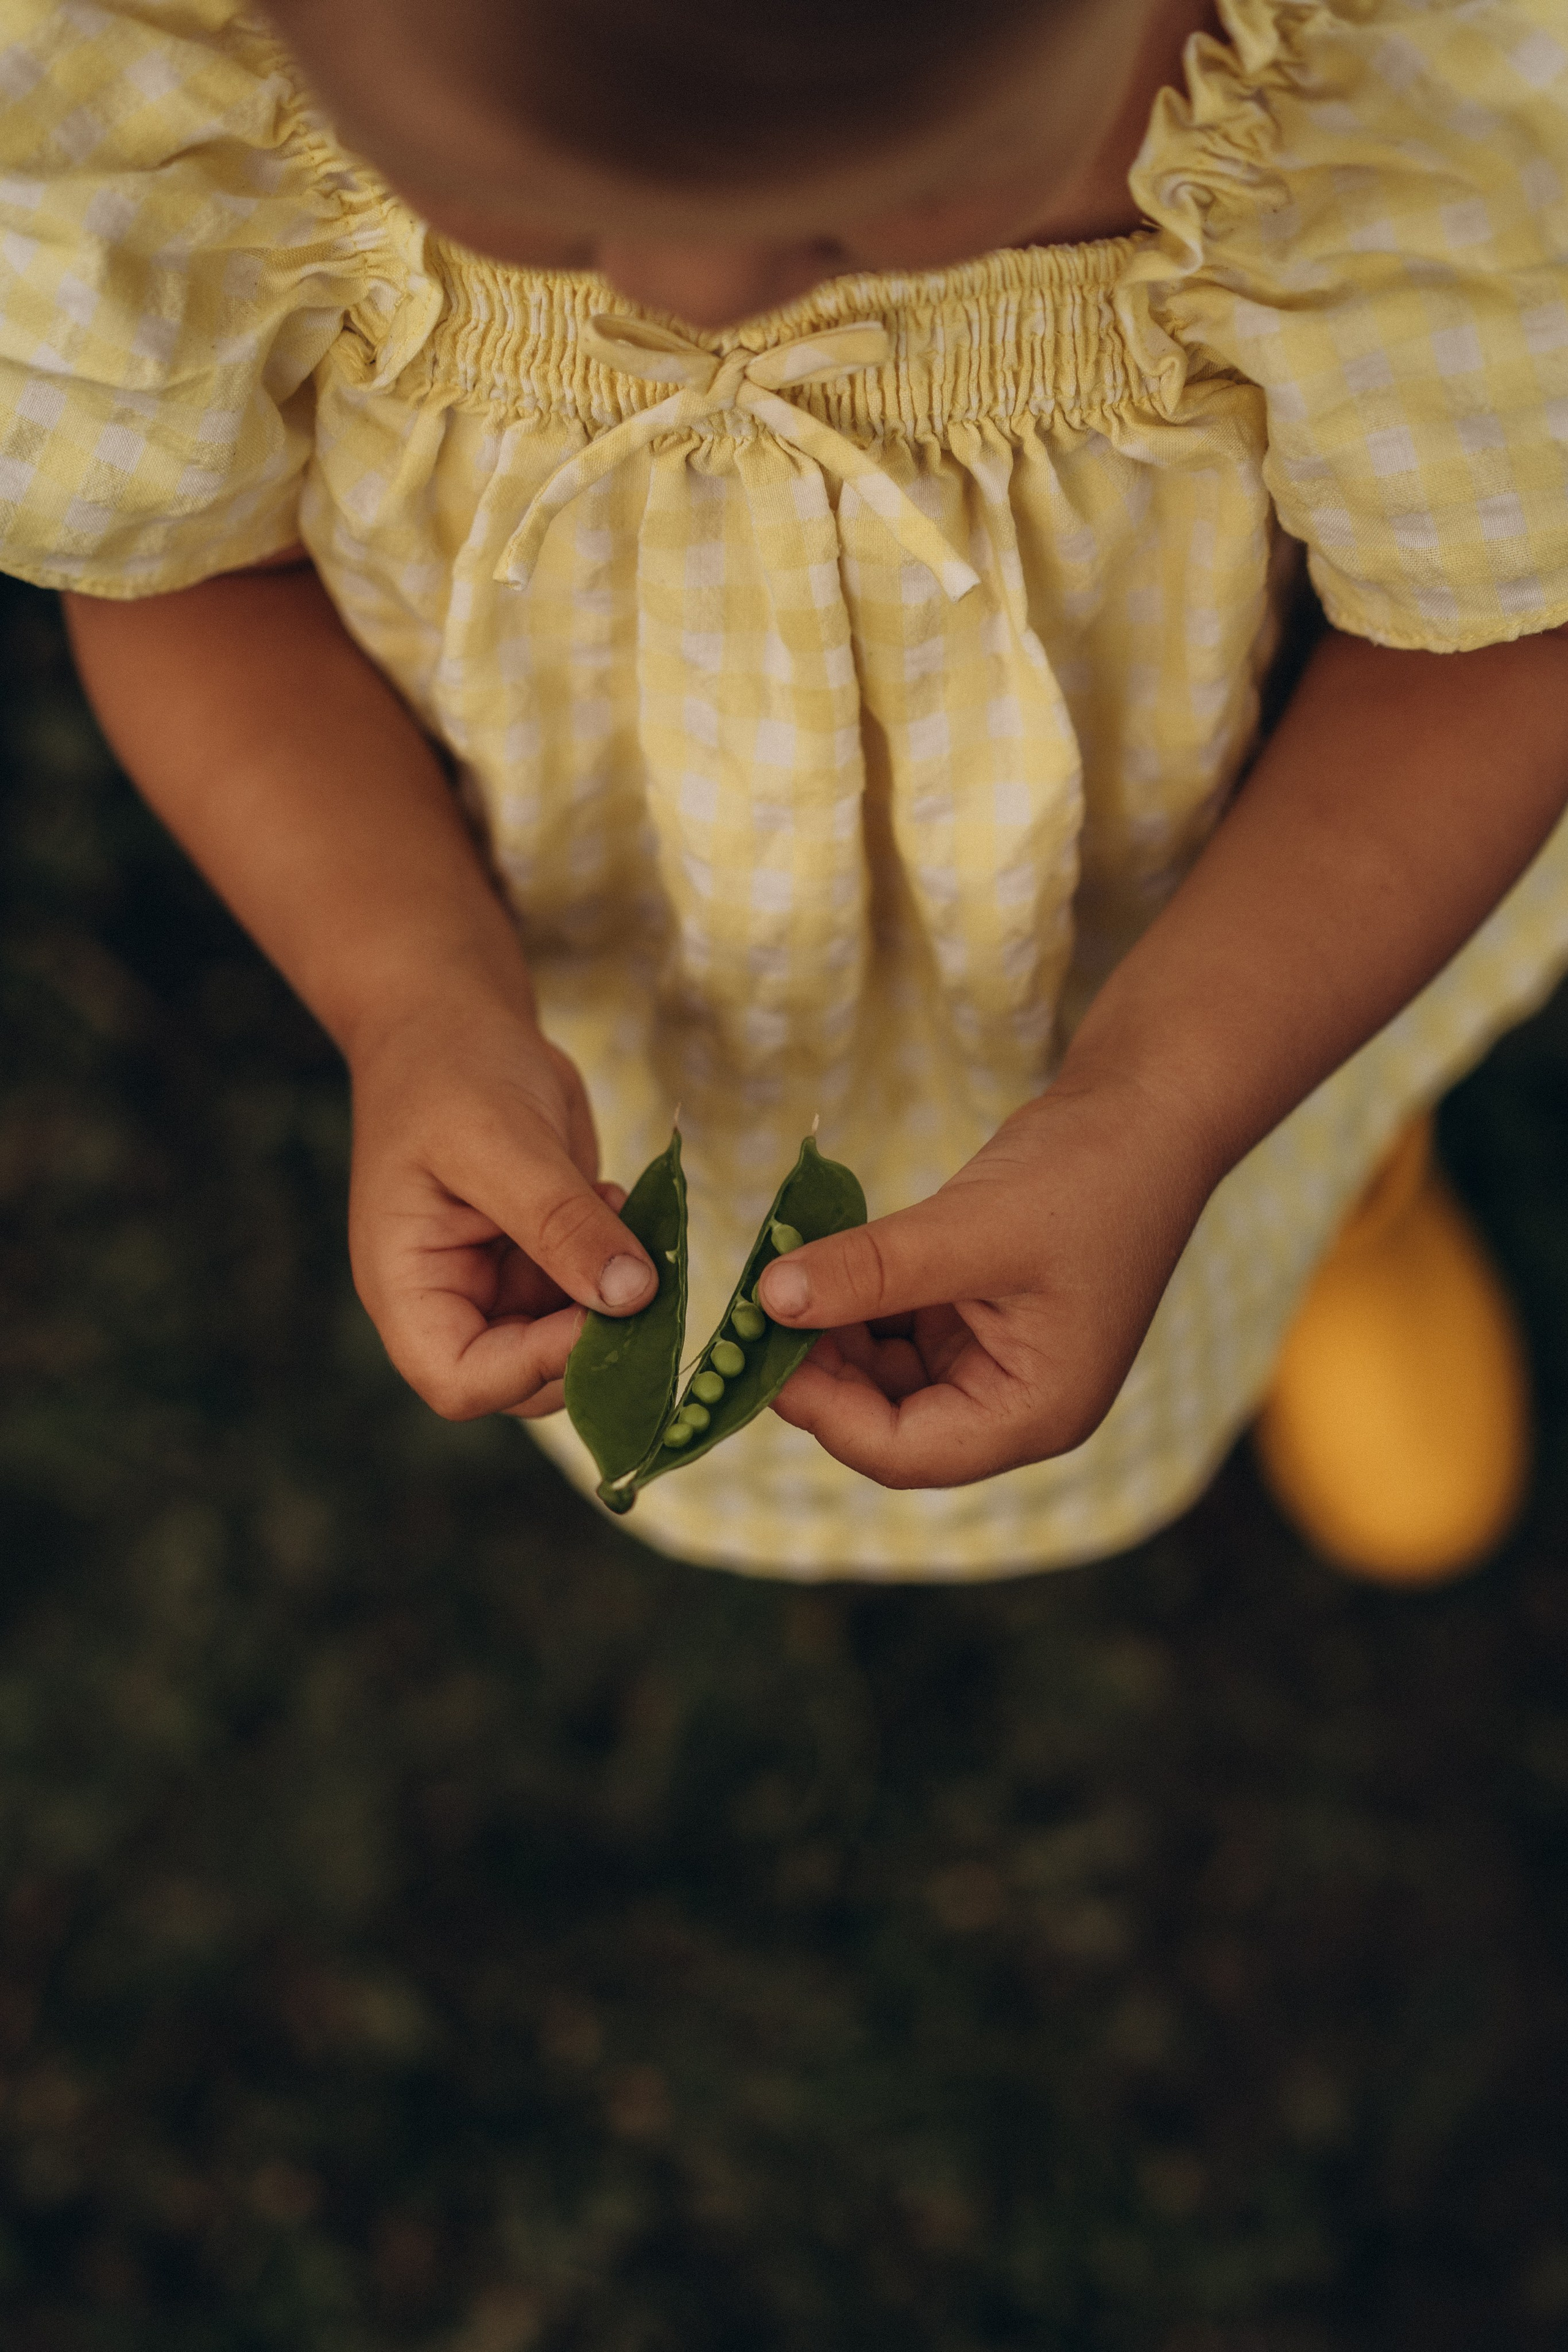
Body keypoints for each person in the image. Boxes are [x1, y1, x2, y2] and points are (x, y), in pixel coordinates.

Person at [2, 0, 1566, 1585]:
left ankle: (1339, 1197)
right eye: (543, 201)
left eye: (869, 205)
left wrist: (1170, 1111)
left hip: (1223, 922)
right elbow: (199, 577)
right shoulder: (154, 79)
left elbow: (1488, 640)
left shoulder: (1383, 88)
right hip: (586, 956)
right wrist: (411, 994)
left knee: (1290, 1102)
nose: (696, 289)